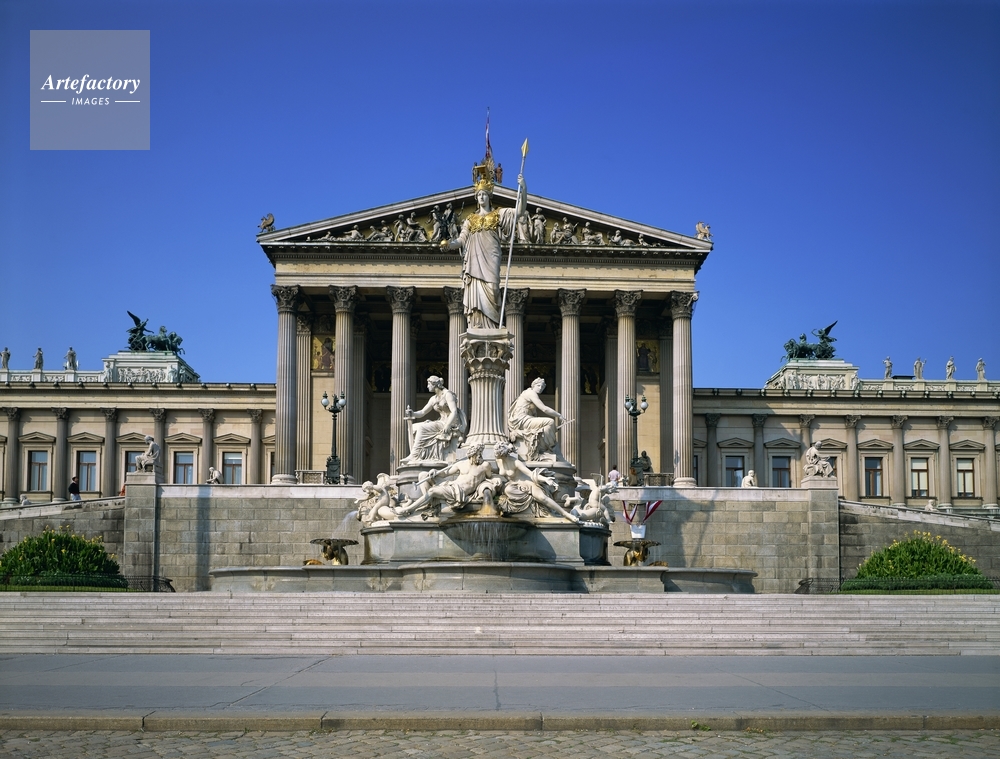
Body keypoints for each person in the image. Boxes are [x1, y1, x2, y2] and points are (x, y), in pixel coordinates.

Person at [440, 162, 526, 329]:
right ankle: (477, 325)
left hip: (491, 259)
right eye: (479, 194)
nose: (481, 197)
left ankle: (492, 326)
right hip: (474, 263)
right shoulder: (470, 219)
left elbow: (520, 211)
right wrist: (449, 245)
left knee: (493, 289)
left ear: (489, 196)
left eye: (484, 194)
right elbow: (461, 240)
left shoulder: (498, 214)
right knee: (475, 293)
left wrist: (523, 188)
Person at [396, 444, 497, 519]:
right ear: (472, 454)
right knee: (423, 475)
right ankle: (429, 502)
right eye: (478, 453)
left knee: (432, 491)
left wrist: (495, 480)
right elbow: (445, 473)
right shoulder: (461, 464)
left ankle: (408, 509)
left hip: (458, 492)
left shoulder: (484, 466)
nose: (480, 456)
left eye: (480, 453)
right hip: (452, 485)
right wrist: (435, 471)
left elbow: (490, 477)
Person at [493, 440, 578, 522]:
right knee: (508, 489)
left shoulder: (516, 462)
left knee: (542, 498)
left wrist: (545, 479)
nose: (495, 454)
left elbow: (531, 474)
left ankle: (566, 514)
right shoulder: (498, 460)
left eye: (496, 453)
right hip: (512, 484)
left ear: (503, 454)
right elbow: (496, 471)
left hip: (527, 483)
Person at [400, 376, 467, 465]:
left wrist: (447, 425)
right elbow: (422, 412)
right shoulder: (433, 399)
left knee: (422, 428)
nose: (427, 386)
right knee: (413, 427)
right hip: (441, 422)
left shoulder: (448, 394)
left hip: (450, 423)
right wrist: (412, 413)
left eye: (429, 384)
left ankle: (414, 455)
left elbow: (454, 411)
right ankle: (416, 454)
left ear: (435, 384)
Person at [507, 377, 563, 460]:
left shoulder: (528, 393)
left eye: (542, 387)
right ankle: (545, 449)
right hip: (521, 420)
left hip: (524, 419)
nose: (540, 388)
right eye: (538, 385)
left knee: (548, 425)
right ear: (533, 385)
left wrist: (552, 429)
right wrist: (559, 415)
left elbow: (534, 417)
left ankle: (545, 448)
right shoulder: (531, 393)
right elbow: (544, 409)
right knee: (550, 421)